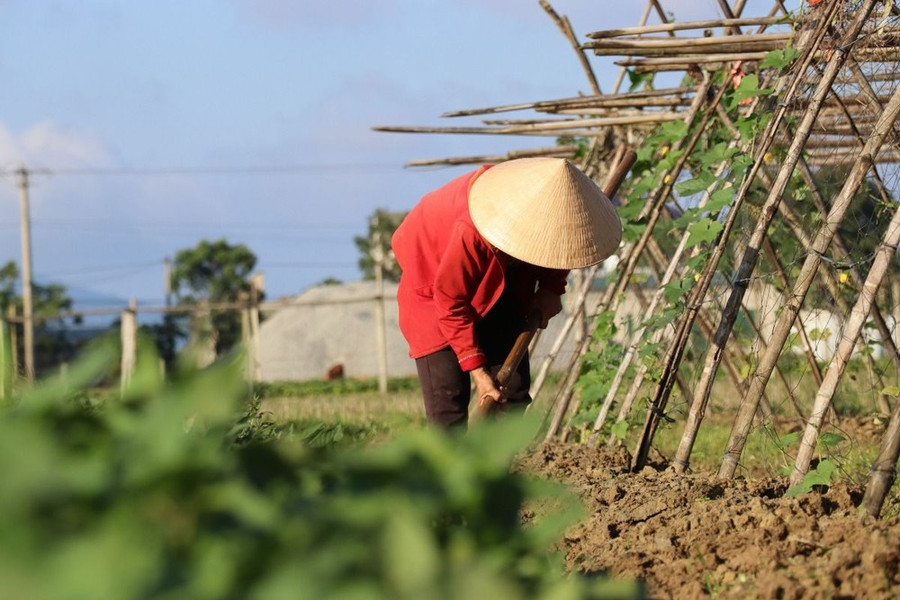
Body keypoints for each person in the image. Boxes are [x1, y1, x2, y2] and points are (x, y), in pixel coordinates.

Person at [391, 157, 621, 428]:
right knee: (448, 405)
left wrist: (552, 287)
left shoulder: (551, 222)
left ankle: (491, 467)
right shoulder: (474, 230)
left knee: (514, 393)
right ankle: (450, 468)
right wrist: (477, 371)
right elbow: (450, 302)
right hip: (434, 295)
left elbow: (562, 248)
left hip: (502, 282)